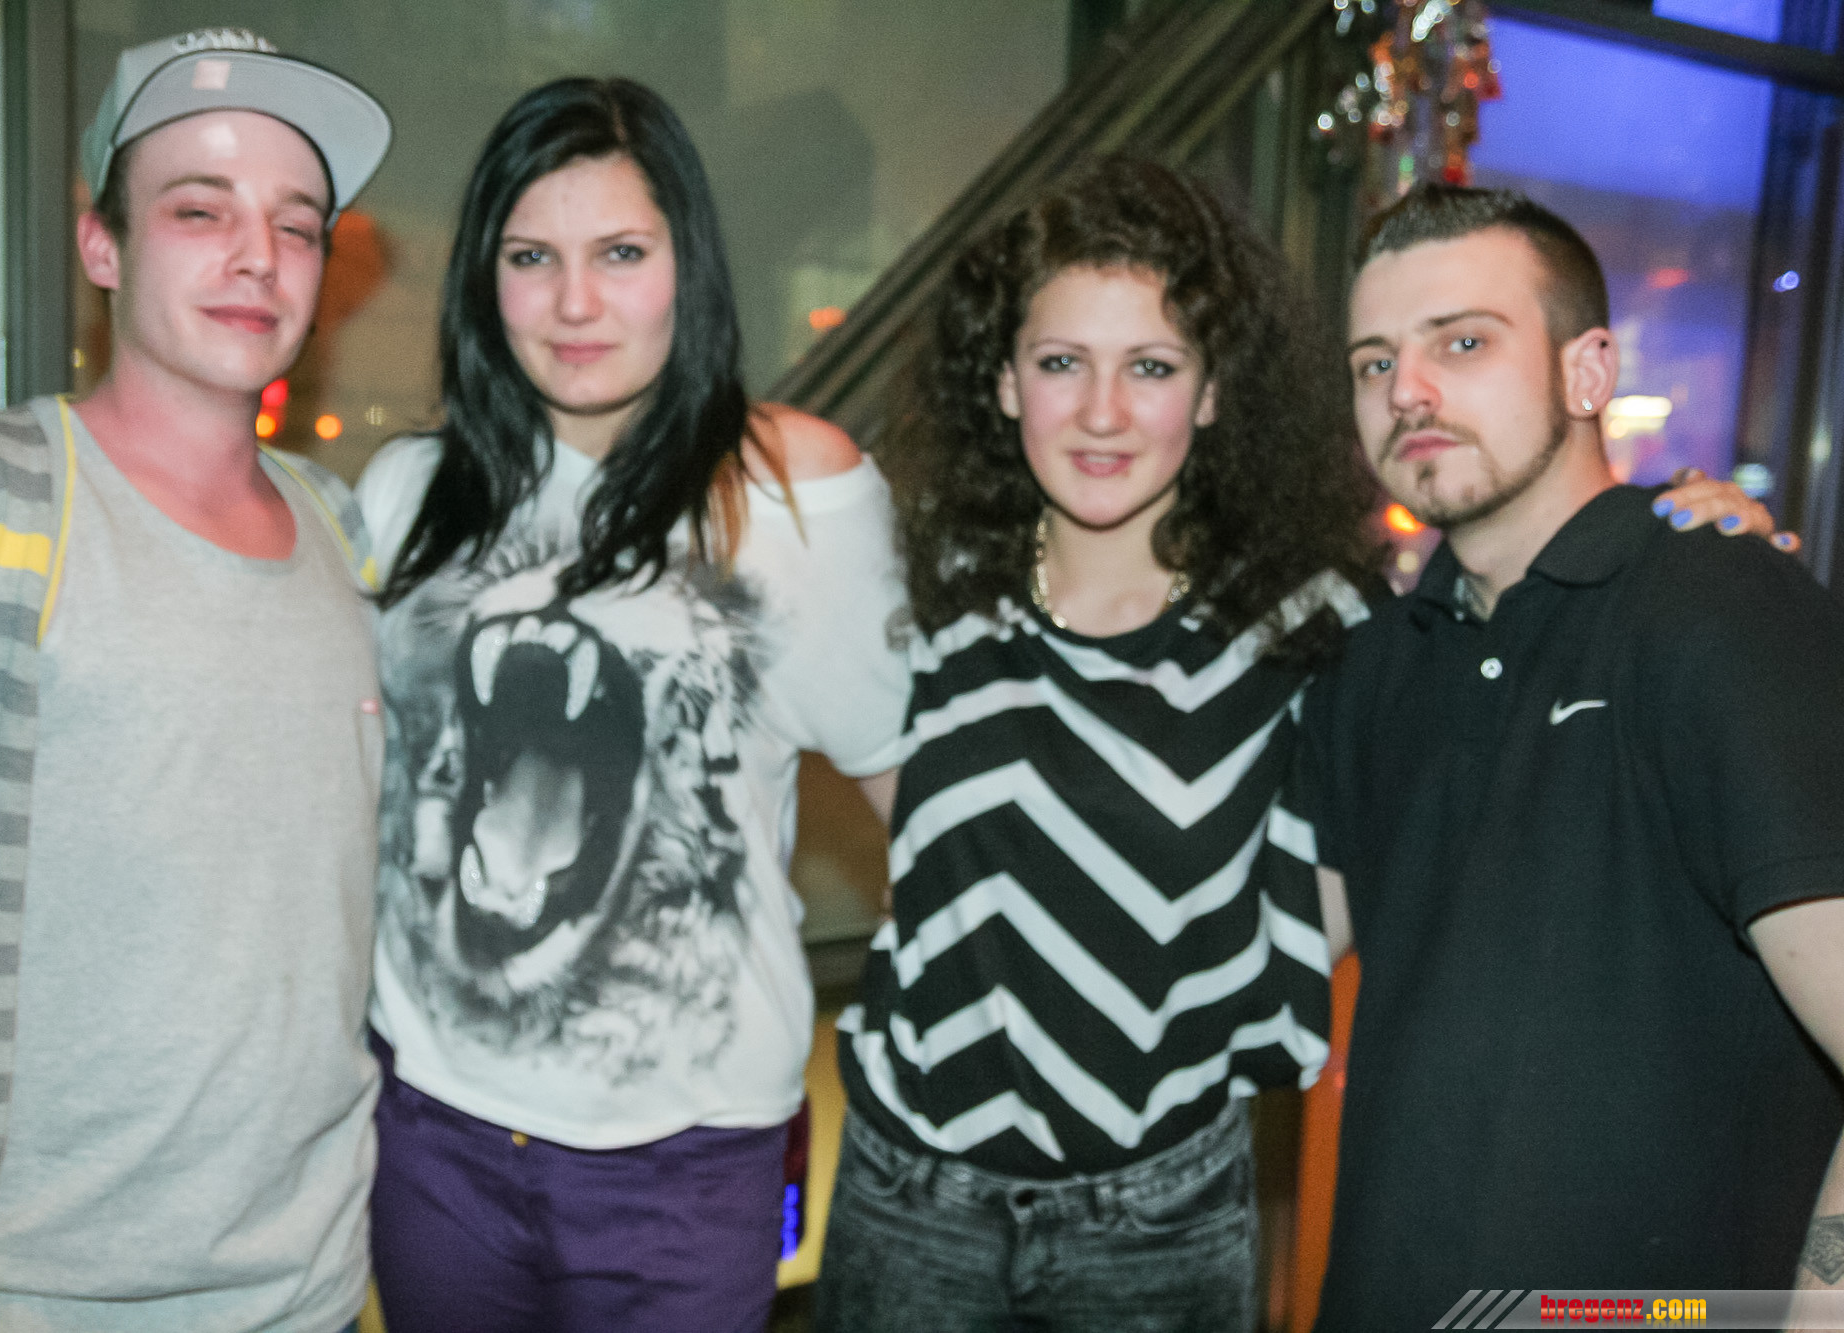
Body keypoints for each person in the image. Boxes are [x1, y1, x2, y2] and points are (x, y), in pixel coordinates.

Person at [810, 159, 1782, 1333]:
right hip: (907, 1199)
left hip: (1160, 1219)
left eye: (1151, 366)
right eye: (1060, 362)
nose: (1102, 411)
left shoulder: (1315, 624)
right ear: (1005, 382)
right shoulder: (923, 586)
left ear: (1212, 392)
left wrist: (1687, 524)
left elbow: (1505, 651)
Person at [0, 28, 391, 1333]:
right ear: (102, 246)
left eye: (296, 225)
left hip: (311, 1279)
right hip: (29, 1288)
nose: (257, 256)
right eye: (201, 210)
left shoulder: (342, 529)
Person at [354, 77, 909, 1333]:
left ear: (685, 269)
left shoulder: (794, 493)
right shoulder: (408, 495)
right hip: (434, 1135)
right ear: (484, 281)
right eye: (530, 257)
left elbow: (920, 802)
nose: (574, 302)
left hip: (686, 1167)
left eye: (620, 253)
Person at [1305, 183, 1844, 1330]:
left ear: (1586, 371)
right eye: (1371, 361)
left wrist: (1817, 1310)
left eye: (1461, 341)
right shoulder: (1374, 665)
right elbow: (1255, 967)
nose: (1406, 390)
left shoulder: (1719, 612)